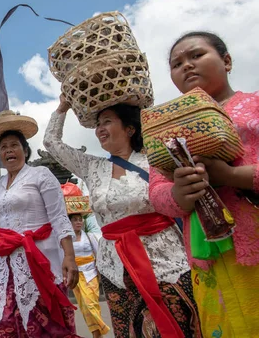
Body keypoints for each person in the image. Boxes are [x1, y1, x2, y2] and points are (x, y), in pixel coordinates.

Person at [44, 98, 201, 337]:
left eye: (107, 122)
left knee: (177, 324)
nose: (99, 129)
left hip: (164, 259)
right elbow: (51, 143)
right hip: (114, 267)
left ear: (130, 128)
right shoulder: (92, 167)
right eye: (98, 124)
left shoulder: (155, 160)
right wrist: (63, 107)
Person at [149, 31, 259, 336]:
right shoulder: (165, 129)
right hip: (209, 259)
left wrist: (231, 176)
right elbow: (157, 190)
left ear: (226, 61)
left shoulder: (255, 106)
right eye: (176, 63)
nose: (186, 66)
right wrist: (179, 194)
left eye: (196, 56)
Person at [0, 110, 79, 337]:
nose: (8, 150)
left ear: (25, 150)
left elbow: (59, 216)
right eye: (3, 147)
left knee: (45, 327)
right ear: (0, 155)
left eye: (14, 145)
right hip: (8, 265)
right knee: (6, 327)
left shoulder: (40, 174)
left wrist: (69, 256)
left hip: (41, 260)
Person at [68, 210, 110, 338]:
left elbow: (98, 255)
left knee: (91, 303)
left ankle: (102, 328)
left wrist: (102, 273)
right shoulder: (67, 240)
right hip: (76, 275)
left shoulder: (90, 237)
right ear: (70, 223)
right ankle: (96, 334)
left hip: (90, 273)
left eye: (80, 219)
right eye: (75, 220)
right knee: (84, 307)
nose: (78, 222)